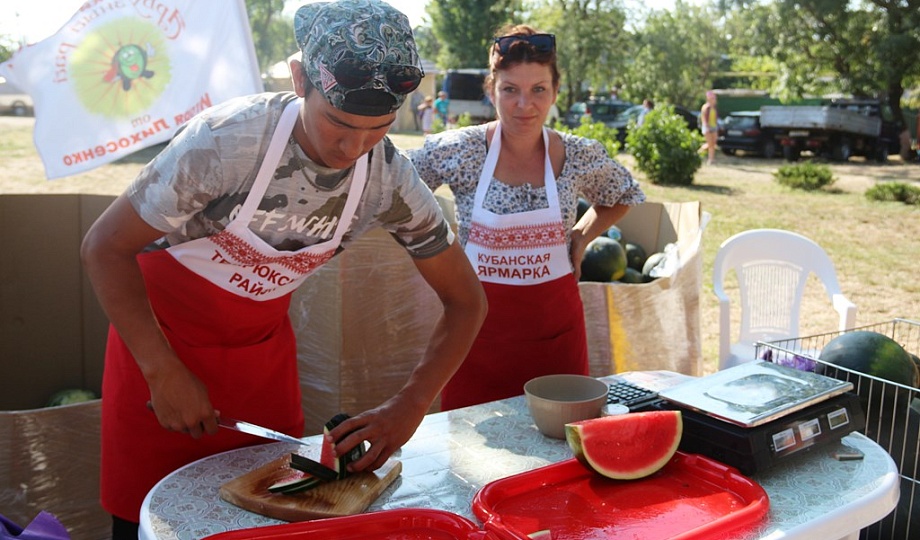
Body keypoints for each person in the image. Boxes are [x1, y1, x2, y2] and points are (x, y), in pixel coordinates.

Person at [79, 1, 487, 537]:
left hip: (261, 376)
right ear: (299, 79)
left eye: (378, 128)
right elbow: (104, 247)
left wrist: (411, 404)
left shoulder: (389, 177)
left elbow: (466, 300)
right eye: (337, 123)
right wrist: (161, 370)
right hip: (157, 362)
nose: (353, 148)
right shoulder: (226, 142)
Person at [409, 25, 645, 410]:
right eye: (510, 89)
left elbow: (624, 194)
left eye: (538, 89)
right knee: (471, 445)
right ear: (491, 90)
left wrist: (582, 236)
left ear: (555, 91)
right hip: (475, 340)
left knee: (560, 440)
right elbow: (396, 187)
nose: (524, 104)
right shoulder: (460, 151)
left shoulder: (577, 155)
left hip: (555, 341)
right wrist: (438, 251)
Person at [700, 90, 719, 165]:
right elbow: (703, 117)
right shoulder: (705, 107)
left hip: (714, 126)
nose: (714, 100)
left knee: (713, 144)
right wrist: (706, 126)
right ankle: (710, 159)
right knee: (710, 143)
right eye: (713, 98)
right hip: (707, 127)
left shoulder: (714, 108)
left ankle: (711, 158)